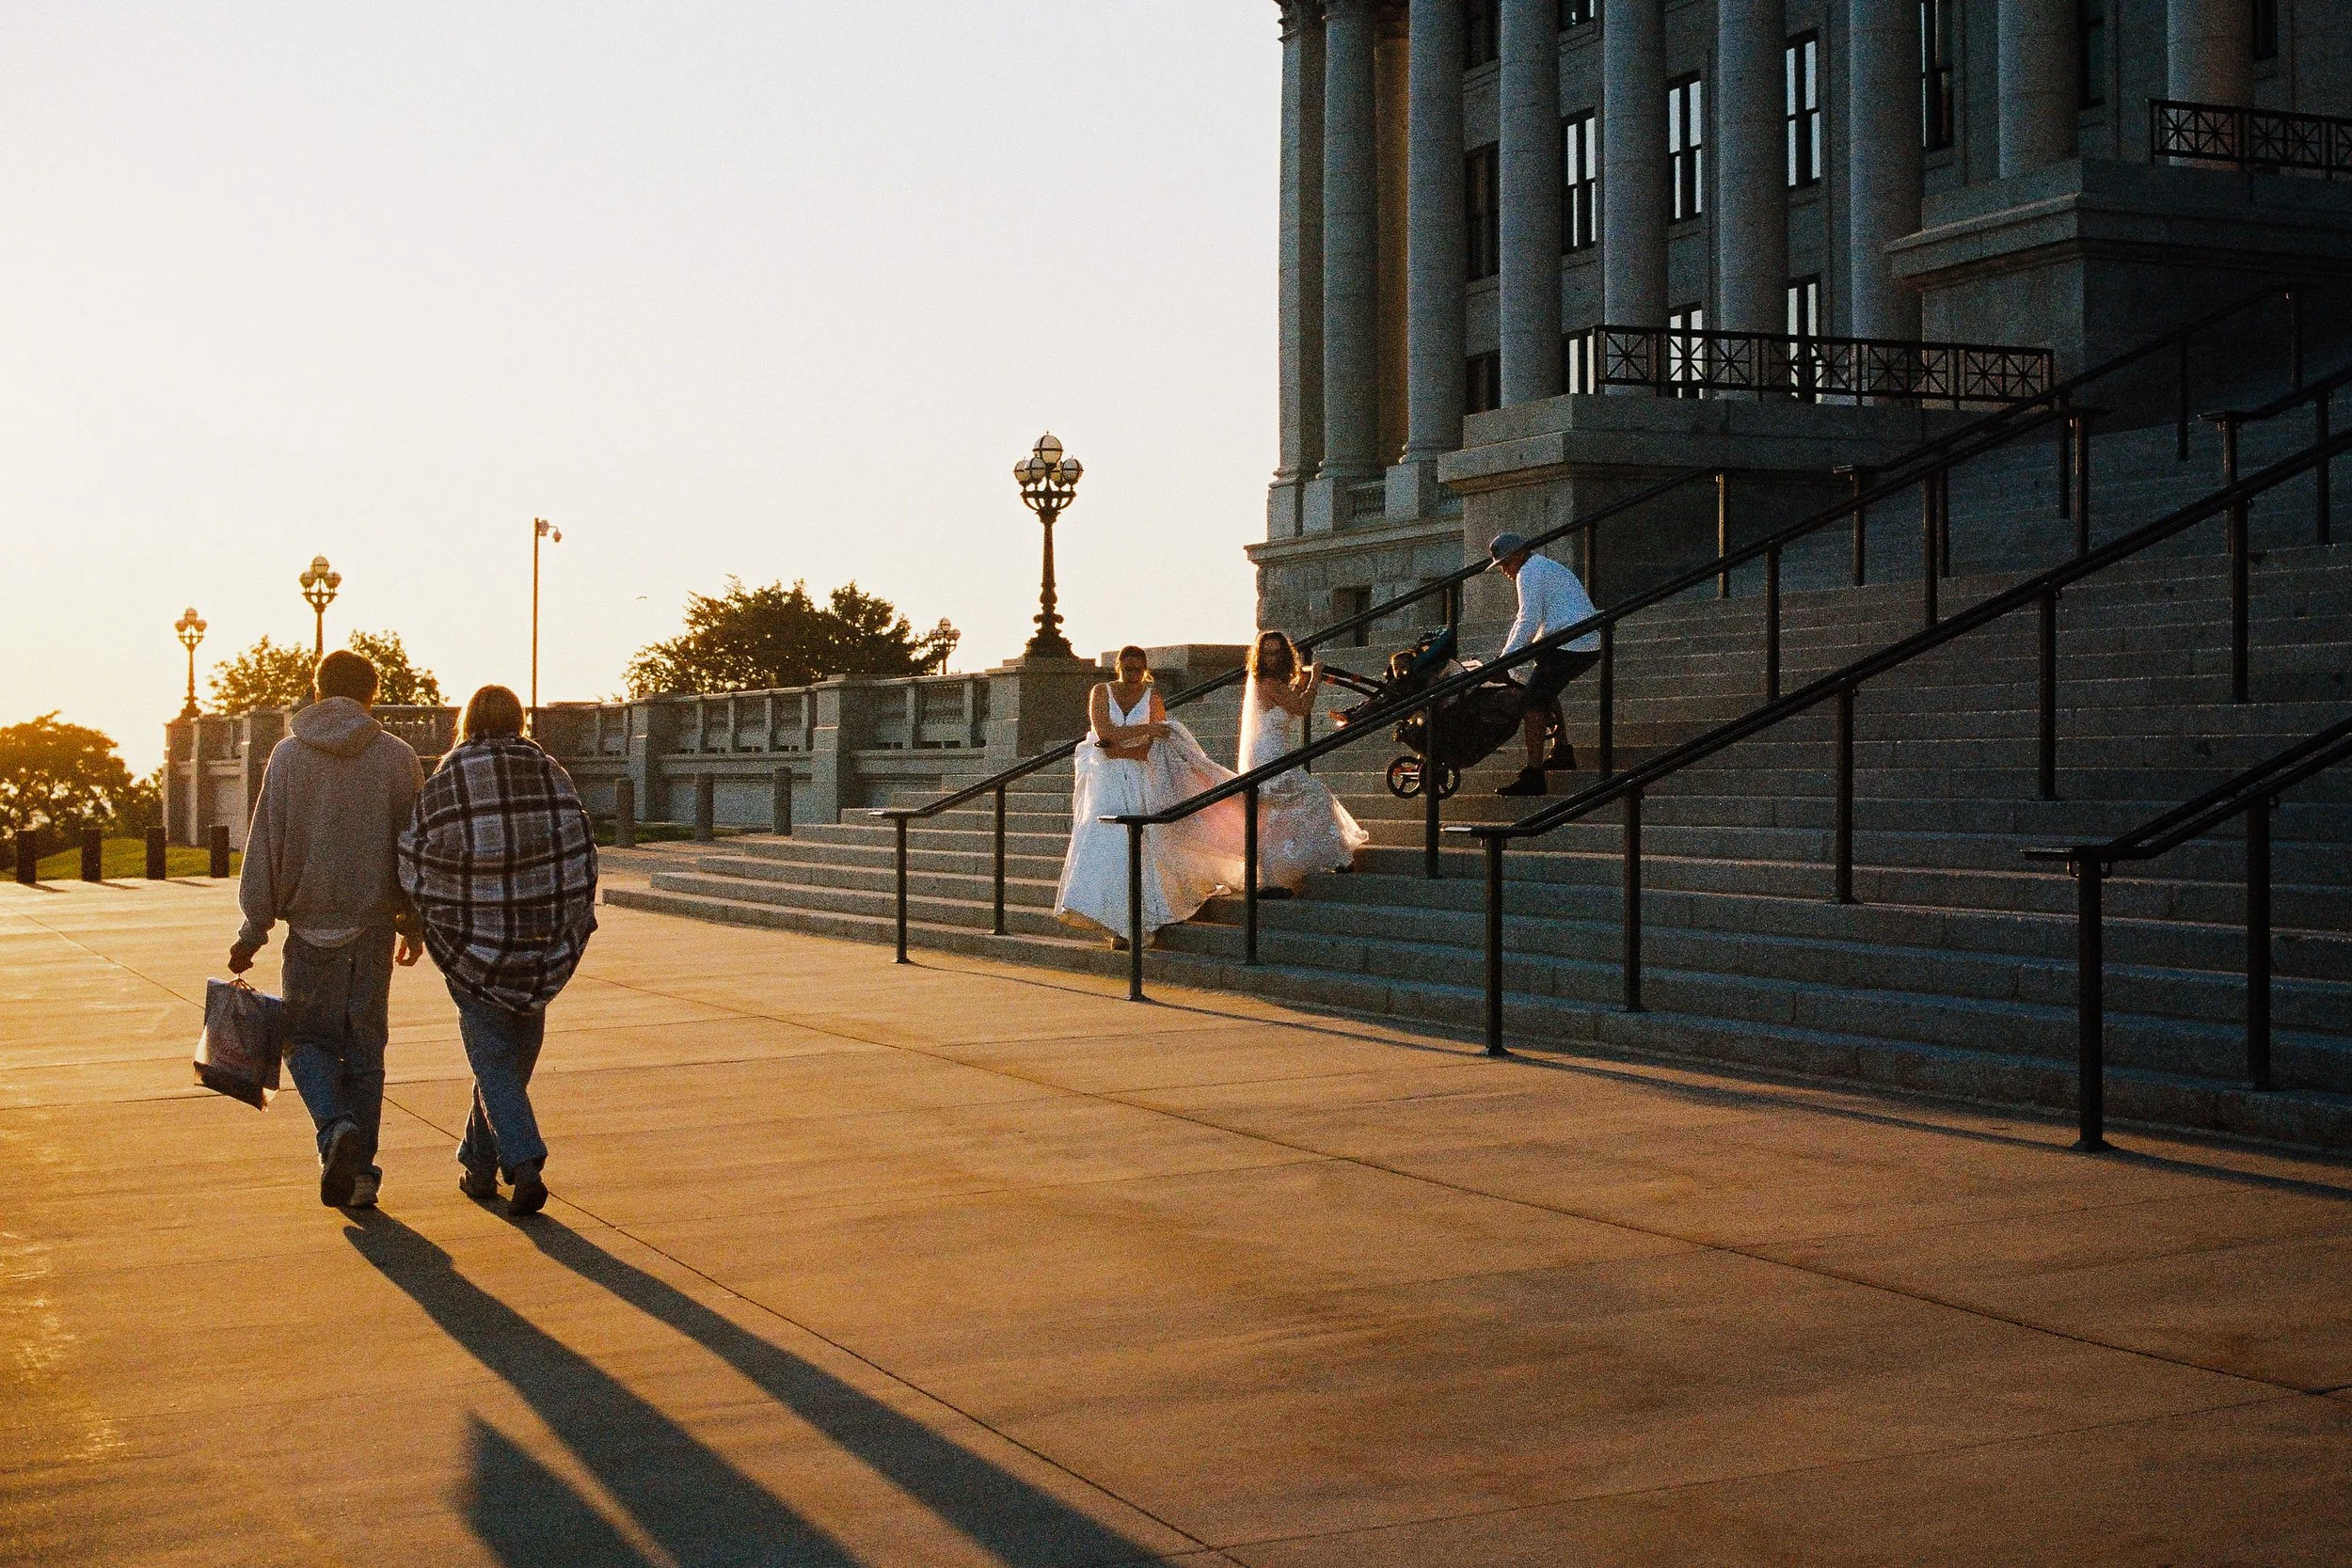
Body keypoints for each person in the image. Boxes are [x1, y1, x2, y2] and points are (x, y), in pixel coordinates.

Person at [228, 650, 425, 1210]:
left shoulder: (288, 757)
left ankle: (334, 1126)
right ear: (372, 694)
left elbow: (267, 841)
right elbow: (413, 845)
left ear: (318, 691)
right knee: (366, 1048)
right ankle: (361, 1176)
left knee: (304, 1040)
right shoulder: (397, 757)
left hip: (310, 928)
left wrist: (253, 926)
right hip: (371, 929)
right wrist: (412, 919)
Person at [398, 685, 598, 1217]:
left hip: (474, 946)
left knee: (493, 1061)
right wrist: (574, 915)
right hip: (539, 942)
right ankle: (479, 1165)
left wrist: (428, 913)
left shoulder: (449, 777)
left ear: (466, 721)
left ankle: (524, 1162)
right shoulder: (550, 772)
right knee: (508, 1061)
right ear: (518, 721)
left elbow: (416, 855)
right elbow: (580, 845)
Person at [1054, 645, 1245, 946]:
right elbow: (1104, 732)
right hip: (1106, 780)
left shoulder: (1153, 698)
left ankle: (1137, 923)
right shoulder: (1100, 692)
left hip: (1142, 777)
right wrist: (1143, 732)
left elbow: (1152, 747)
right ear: (1118, 667)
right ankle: (1114, 922)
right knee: (1107, 844)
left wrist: (1123, 746)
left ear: (1145, 669)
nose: (1131, 674)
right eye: (1126, 668)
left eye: (1136, 669)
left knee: (1142, 845)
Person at [1238, 629, 1368, 895]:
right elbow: (1300, 708)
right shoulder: (1268, 683)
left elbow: (1288, 700)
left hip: (1274, 752)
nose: (1272, 658)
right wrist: (1315, 680)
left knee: (1277, 815)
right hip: (1269, 754)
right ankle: (1335, 858)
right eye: (1267, 653)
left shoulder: (1274, 683)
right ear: (1260, 657)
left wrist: (1302, 682)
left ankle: (1272, 878)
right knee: (1316, 796)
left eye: (1277, 652)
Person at [1487, 532, 1601, 797]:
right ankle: (1561, 750)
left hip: (1571, 644)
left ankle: (1534, 774)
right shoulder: (1544, 566)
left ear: (1518, 554)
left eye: (1505, 564)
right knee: (1543, 688)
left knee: (1531, 702)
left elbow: (1527, 619)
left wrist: (1504, 660)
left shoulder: (1529, 572)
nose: (1504, 571)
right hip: (1578, 640)